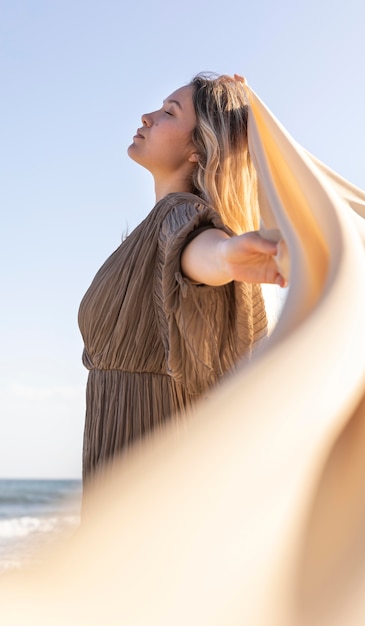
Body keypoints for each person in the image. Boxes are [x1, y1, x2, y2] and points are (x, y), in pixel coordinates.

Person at [78, 72, 287, 494]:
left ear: (196, 148)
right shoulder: (147, 232)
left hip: (151, 466)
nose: (148, 116)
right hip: (120, 456)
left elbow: (195, 250)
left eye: (169, 112)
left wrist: (227, 256)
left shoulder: (180, 213)